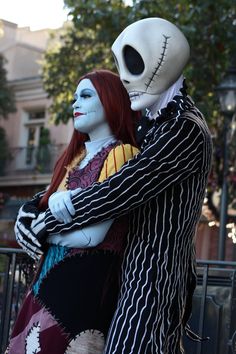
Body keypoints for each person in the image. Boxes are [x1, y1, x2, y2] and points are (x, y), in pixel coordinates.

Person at [15, 18, 213, 353]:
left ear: (164, 56)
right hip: (114, 276)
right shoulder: (146, 124)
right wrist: (31, 209)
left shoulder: (184, 129)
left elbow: (121, 189)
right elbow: (95, 180)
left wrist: (44, 224)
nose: (123, 76)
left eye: (133, 62)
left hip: (151, 278)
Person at [7, 69, 140, 354]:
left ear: (111, 100)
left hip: (81, 288)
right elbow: (46, 211)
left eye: (86, 95)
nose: (75, 104)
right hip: (47, 283)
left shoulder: (121, 153)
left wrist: (44, 232)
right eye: (74, 97)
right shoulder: (76, 158)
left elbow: (92, 236)